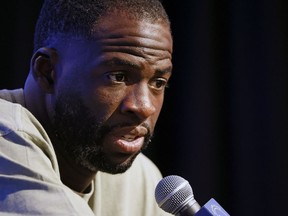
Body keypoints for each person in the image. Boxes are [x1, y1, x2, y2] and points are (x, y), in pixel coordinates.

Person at [0, 0, 173, 215]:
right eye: (117, 77)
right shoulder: (5, 136)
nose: (144, 107)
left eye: (158, 82)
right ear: (47, 72)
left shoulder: (142, 179)